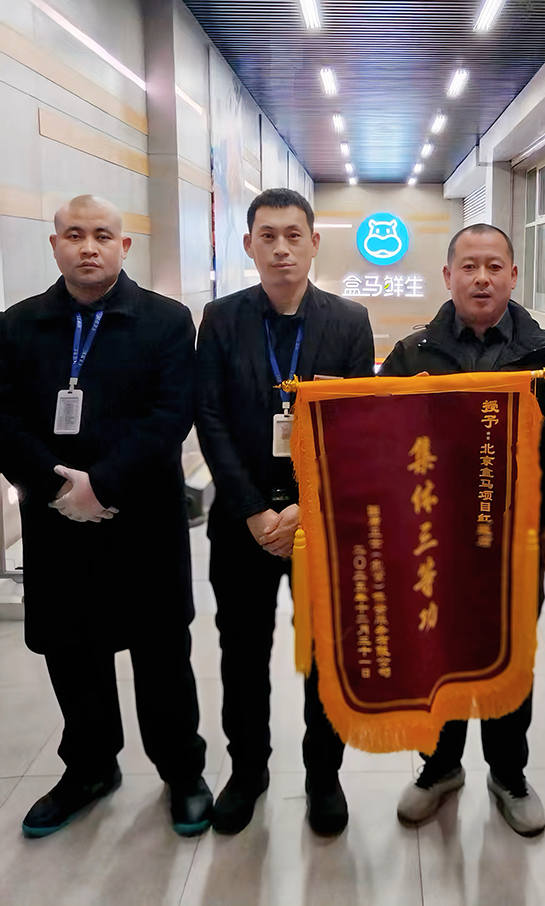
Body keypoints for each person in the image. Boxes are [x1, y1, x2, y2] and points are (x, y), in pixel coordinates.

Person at [0, 195, 212, 839]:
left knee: (161, 654)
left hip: (143, 518)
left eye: (101, 235)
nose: (87, 247)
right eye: (74, 235)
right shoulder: (17, 325)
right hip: (55, 520)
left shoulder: (166, 321)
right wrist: (56, 486)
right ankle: (90, 768)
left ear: (124, 246)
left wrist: (104, 485)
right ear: (55, 245)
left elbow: (171, 415)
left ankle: (182, 771)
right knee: (72, 652)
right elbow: (2, 419)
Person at [381, 223, 545, 837]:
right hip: (435, 544)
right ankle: (440, 767)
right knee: (437, 657)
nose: (481, 278)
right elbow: (382, 445)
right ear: (448, 276)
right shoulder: (412, 355)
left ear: (513, 276)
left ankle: (508, 773)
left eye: (494, 266)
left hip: (515, 545)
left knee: (509, 659)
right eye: (468, 266)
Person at [196, 188, 374, 836]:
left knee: (326, 651)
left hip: (322, 522)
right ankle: (248, 771)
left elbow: (354, 426)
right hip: (240, 523)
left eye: (293, 235)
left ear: (314, 242)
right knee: (242, 652)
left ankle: (323, 774)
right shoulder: (221, 318)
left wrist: (305, 506)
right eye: (267, 236)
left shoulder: (349, 321)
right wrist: (252, 509)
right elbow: (209, 417)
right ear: (248, 244)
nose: (280, 249)